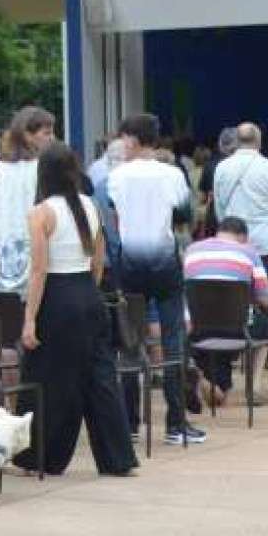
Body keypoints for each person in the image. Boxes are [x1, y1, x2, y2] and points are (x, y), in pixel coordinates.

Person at [14, 142, 136, 479]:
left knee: (47, 376)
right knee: (100, 378)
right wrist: (89, 293)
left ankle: (40, 456)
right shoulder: (91, 206)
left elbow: (38, 271)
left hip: (57, 297)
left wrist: (29, 319)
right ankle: (117, 458)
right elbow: (98, 263)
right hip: (88, 293)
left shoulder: (40, 213)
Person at [106, 113, 203, 445]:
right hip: (164, 261)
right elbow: (184, 214)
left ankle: (131, 422)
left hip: (129, 263)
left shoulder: (117, 175)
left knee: (130, 342)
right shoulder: (172, 173)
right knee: (173, 339)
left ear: (132, 139)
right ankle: (175, 424)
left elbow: (113, 210)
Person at [181, 216, 268, 408]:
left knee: (219, 396)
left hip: (196, 328)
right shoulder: (249, 253)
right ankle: (254, 387)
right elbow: (265, 298)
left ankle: (198, 376)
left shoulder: (191, 250)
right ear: (243, 237)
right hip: (237, 328)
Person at [212, 123, 268, 321]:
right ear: (259, 141)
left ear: (237, 141)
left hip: (232, 242)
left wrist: (227, 233)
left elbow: (219, 208)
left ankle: (235, 342)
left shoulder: (222, 168)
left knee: (233, 295)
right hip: (266, 241)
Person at [0, 106, 56, 297]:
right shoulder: (43, 168)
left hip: (5, 258)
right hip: (40, 255)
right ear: (27, 136)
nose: (52, 138)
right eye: (47, 133)